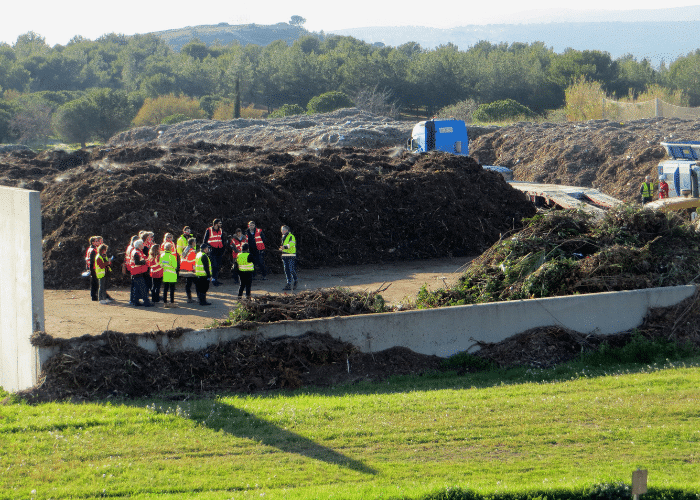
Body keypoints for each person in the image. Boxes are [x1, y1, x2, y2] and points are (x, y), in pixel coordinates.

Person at [130, 240, 153, 307]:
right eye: (142, 244)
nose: (143, 245)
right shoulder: (136, 253)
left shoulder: (138, 252)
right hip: (137, 272)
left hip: (137, 272)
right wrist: (145, 261)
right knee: (143, 288)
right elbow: (137, 263)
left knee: (137, 289)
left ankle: (136, 302)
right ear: (139, 245)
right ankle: (146, 302)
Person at [203, 219, 225, 286]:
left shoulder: (221, 230)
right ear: (216, 224)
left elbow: (222, 239)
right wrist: (209, 247)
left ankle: (216, 279)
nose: (221, 224)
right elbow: (205, 241)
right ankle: (213, 280)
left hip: (219, 250)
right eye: (219, 223)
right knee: (214, 265)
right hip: (212, 250)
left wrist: (223, 247)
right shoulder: (209, 230)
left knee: (218, 265)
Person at [279, 225, 298, 291]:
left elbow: (291, 244)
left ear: (287, 230)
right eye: (281, 230)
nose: (282, 231)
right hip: (285, 255)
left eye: (283, 230)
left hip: (291, 255)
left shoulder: (291, 236)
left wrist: (285, 247)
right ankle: (289, 283)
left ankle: (295, 280)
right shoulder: (283, 237)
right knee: (286, 269)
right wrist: (282, 249)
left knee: (291, 269)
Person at [85, 235, 102, 301]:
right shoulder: (93, 250)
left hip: (91, 268)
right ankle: (94, 296)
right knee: (95, 283)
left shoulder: (89, 249)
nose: (97, 242)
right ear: (92, 242)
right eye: (95, 241)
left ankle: (94, 296)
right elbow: (92, 261)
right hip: (94, 268)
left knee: (93, 283)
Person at [180, 237, 198, 303]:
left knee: (188, 284)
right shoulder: (192, 250)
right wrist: (195, 269)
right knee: (197, 284)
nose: (195, 243)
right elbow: (193, 261)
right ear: (193, 243)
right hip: (190, 269)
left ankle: (189, 298)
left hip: (185, 269)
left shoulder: (186, 249)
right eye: (195, 242)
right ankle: (199, 298)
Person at [161, 242, 178, 308]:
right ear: (170, 249)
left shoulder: (162, 256)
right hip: (172, 275)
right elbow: (175, 266)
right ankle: (172, 302)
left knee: (165, 289)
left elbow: (161, 264)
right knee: (172, 289)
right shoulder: (172, 257)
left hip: (165, 274)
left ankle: (165, 303)